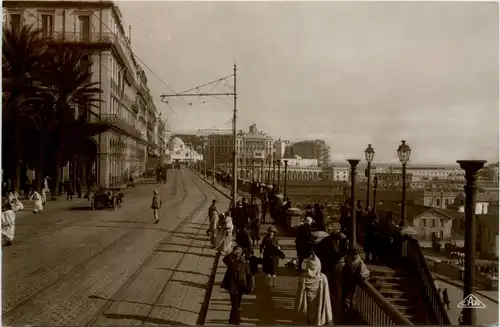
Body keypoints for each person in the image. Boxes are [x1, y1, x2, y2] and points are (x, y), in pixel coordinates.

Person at [295, 254, 333, 325]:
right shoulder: (323, 278)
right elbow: (327, 299)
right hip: (319, 305)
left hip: (307, 308)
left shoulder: (303, 278)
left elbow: (298, 298)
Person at [221, 246, 252, 325]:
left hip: (241, 285)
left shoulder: (244, 262)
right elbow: (224, 260)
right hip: (232, 285)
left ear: (242, 253)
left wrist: (250, 286)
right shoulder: (231, 261)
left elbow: (248, 275)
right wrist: (231, 253)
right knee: (235, 303)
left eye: (239, 251)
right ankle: (237, 320)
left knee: (237, 303)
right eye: (236, 251)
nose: (237, 253)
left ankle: (232, 319)